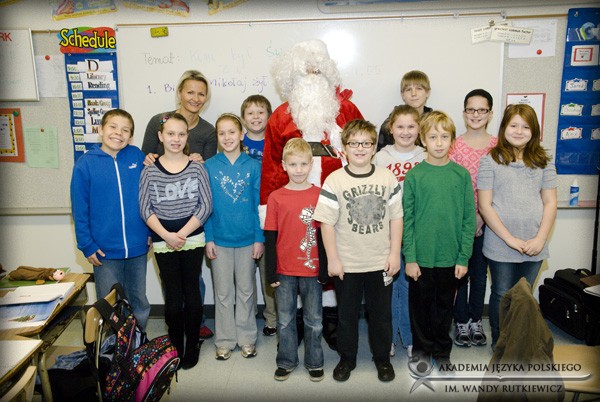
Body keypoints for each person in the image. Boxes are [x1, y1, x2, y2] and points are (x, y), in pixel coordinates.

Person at [260, 39, 363, 350]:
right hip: (293, 211)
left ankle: (331, 321)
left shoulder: (347, 110)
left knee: (333, 259)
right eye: (306, 71)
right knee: (297, 260)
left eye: (318, 70)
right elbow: (271, 166)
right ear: (293, 75)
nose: (312, 76)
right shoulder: (280, 116)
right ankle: (299, 322)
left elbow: (363, 151)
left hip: (338, 205)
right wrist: (268, 211)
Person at [313, 119, 403, 383]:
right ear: (345, 148)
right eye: (354, 143)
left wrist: (394, 253)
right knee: (346, 316)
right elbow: (326, 224)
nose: (360, 148)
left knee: (381, 316)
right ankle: (347, 358)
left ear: (374, 148)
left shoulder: (387, 177)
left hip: (380, 262)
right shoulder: (334, 180)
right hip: (347, 264)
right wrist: (333, 259)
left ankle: (382, 359)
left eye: (366, 143)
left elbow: (396, 218)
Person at [141, 69, 216, 340]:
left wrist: (198, 160)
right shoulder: (158, 121)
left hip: (191, 221)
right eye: (190, 92)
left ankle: (196, 323)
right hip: (162, 218)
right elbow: (146, 158)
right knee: (171, 283)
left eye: (201, 93)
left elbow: (207, 169)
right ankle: (176, 326)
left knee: (193, 281)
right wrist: (149, 159)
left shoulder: (208, 131)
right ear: (180, 93)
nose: (195, 98)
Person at [478, 103, 557, 349]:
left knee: (524, 295)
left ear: (534, 131)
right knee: (501, 293)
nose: (519, 131)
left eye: (525, 127)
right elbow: (485, 205)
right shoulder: (490, 160)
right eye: (513, 125)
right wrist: (509, 239)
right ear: (504, 128)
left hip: (534, 243)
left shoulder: (544, 161)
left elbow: (550, 202)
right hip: (500, 243)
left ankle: (519, 344)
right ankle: (501, 344)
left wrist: (540, 239)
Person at [402, 111, 476, 376]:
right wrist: (410, 258)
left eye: (445, 137)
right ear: (423, 140)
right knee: (420, 310)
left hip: (450, 258)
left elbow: (469, 219)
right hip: (420, 258)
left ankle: (442, 353)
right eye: (433, 137)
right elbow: (407, 220)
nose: (439, 142)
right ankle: (422, 354)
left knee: (444, 309)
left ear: (453, 141)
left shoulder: (461, 175)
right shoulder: (414, 176)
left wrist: (463, 257)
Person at [70, 108, 151, 329]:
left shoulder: (137, 157)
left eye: (125, 130)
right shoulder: (85, 164)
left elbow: (149, 197)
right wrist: (87, 245)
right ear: (100, 129)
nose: (118, 133)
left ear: (131, 136)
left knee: (138, 299)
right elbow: (79, 209)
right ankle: (113, 343)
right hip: (104, 251)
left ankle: (137, 340)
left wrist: (149, 232)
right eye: (113, 127)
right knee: (109, 304)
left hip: (137, 246)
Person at [265, 138, 329, 382]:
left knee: (314, 320)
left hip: (313, 269)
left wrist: (324, 268)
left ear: (311, 164)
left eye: (303, 164)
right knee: (285, 320)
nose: (299, 169)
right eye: (293, 164)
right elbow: (271, 236)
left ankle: (315, 361)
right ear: (284, 165)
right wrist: (270, 272)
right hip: (284, 270)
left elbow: (324, 235)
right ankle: (286, 361)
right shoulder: (276, 197)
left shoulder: (319, 195)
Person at [204, 113, 264, 360]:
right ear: (217, 137)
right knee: (223, 293)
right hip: (219, 241)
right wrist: (209, 238)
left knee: (247, 291)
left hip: (248, 240)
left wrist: (259, 238)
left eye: (232, 132)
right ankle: (225, 340)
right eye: (222, 133)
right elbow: (205, 206)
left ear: (241, 135)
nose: (227, 137)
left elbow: (259, 206)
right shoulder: (208, 166)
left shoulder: (253, 166)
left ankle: (247, 338)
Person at [373, 105, 425, 358]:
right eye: (400, 126)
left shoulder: (426, 156)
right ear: (391, 129)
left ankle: (410, 336)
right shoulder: (380, 158)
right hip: (387, 231)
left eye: (411, 126)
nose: (406, 132)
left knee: (410, 287)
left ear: (419, 129)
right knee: (389, 287)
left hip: (416, 231)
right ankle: (389, 336)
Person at [450, 89, 498, 348]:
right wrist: (470, 218)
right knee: (460, 273)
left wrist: (482, 216)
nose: (476, 114)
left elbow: (501, 185)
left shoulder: (499, 146)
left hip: (490, 222)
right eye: (471, 109)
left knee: (480, 274)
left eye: (482, 110)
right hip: (460, 222)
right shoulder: (454, 145)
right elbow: (452, 186)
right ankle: (460, 321)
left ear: (490, 113)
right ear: (464, 112)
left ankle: (475, 320)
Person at [241, 94, 278, 337]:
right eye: (250, 113)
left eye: (261, 112)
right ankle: (246, 317)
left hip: (269, 216)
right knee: (245, 274)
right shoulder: (236, 141)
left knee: (268, 272)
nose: (256, 117)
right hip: (243, 216)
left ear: (269, 116)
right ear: (243, 118)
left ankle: (272, 317)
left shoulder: (275, 143)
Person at [377, 70, 432, 151]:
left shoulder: (435, 122)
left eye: (419, 88)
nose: (413, 94)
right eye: (408, 89)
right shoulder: (389, 124)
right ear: (402, 95)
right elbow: (381, 155)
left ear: (428, 92)